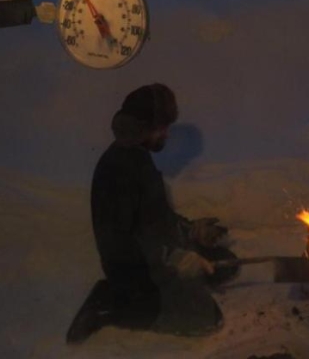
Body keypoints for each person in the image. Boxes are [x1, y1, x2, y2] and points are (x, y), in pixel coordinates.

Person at [67, 83, 237, 343]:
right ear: (144, 128)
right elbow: (121, 244)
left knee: (226, 263)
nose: (166, 135)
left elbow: (157, 219)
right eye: (162, 128)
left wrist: (192, 231)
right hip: (135, 271)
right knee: (207, 318)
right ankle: (108, 305)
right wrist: (175, 257)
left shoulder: (137, 158)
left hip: (157, 256)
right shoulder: (119, 170)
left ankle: (166, 289)